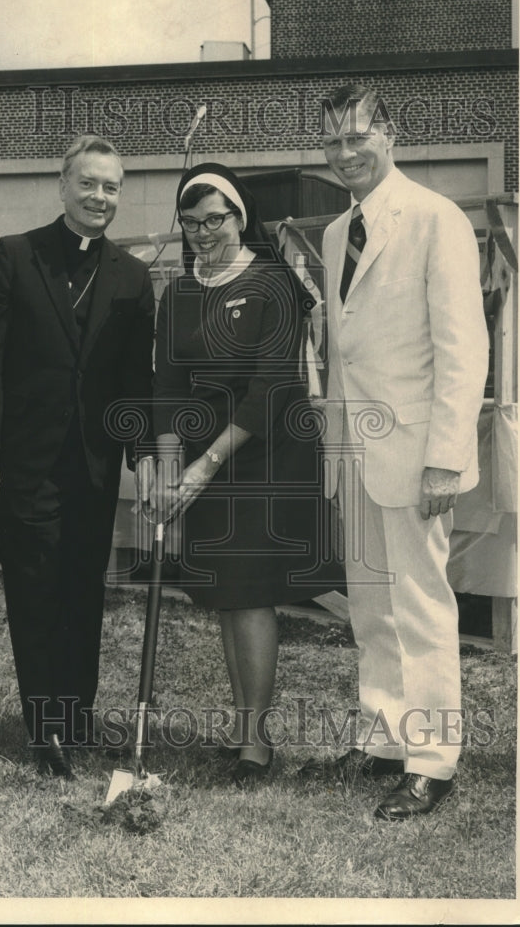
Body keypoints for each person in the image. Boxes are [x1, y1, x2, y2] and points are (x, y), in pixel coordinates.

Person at [299, 83, 489, 819]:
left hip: (415, 455)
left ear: (391, 136)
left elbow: (461, 347)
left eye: (357, 138)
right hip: (356, 454)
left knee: (421, 607)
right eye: (332, 142)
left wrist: (446, 456)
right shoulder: (336, 232)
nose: (345, 154)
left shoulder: (436, 220)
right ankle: (383, 738)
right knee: (371, 608)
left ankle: (434, 760)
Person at [0, 134, 155, 779]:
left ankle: (76, 713)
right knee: (35, 590)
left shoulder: (131, 275)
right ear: (63, 185)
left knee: (82, 591)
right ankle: (44, 727)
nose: (101, 197)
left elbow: (135, 380)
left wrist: (143, 454)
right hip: (27, 464)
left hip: (95, 467)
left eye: (112, 187)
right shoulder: (15, 257)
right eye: (90, 184)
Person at [152, 162, 341, 788]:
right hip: (205, 460)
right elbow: (170, 384)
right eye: (192, 221)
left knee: (251, 593)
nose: (204, 233)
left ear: (241, 217)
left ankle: (257, 745)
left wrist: (205, 464)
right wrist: (170, 459)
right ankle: (241, 728)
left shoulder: (273, 282)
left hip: (261, 456)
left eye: (216, 220)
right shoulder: (179, 292)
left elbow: (272, 386)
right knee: (227, 597)